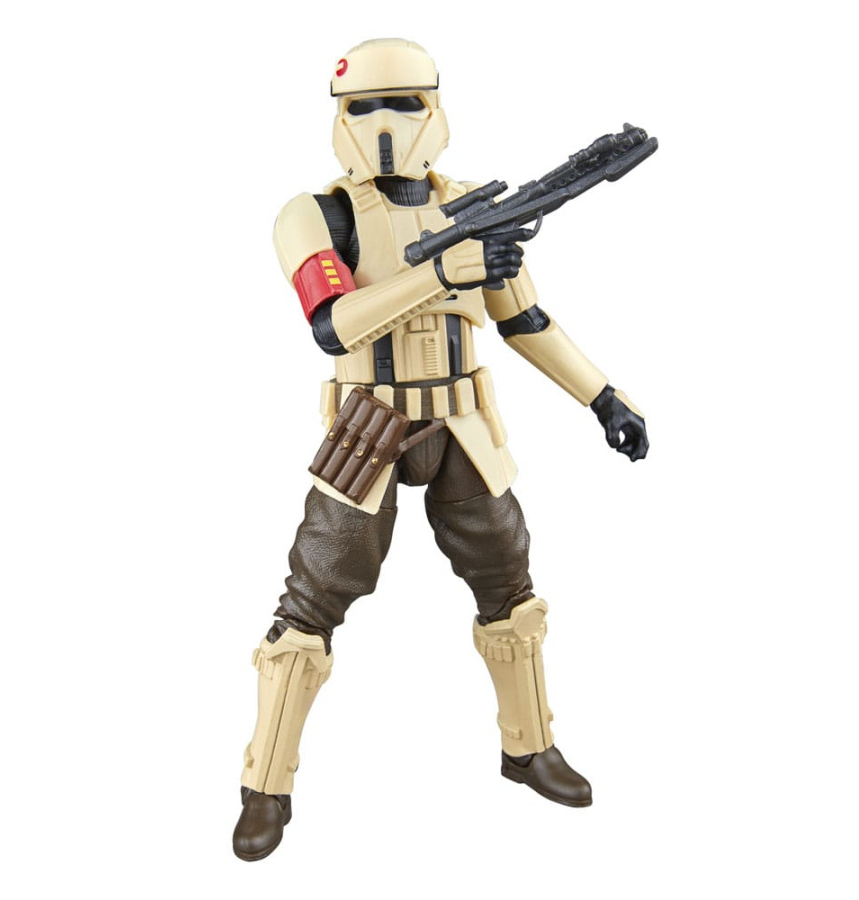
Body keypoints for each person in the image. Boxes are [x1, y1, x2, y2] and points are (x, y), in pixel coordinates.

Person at [233, 38, 649, 861]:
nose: (384, 124)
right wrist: (438, 274)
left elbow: (525, 321)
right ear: (338, 116)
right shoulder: (316, 216)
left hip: (463, 425)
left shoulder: (468, 209)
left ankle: (528, 748)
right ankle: (265, 786)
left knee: (510, 590)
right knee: (310, 605)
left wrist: (605, 398)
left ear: (435, 106)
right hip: (369, 426)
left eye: (404, 103)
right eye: (363, 107)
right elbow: (332, 326)